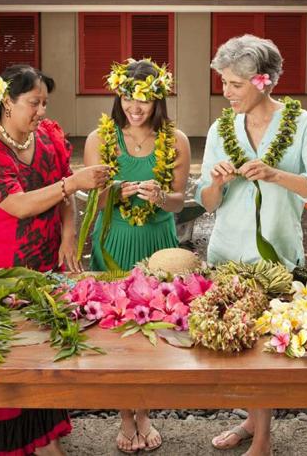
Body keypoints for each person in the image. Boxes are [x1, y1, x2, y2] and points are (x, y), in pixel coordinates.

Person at [0, 64, 111, 456]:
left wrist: (69, 235)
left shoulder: (48, 137)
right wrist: (73, 183)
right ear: (6, 102)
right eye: (33, 102)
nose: (41, 110)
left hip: (45, 265)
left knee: (42, 353)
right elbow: (18, 205)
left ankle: (46, 438)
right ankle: (9, 444)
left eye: (45, 102)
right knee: (7, 358)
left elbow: (64, 198)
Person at [195, 35, 307, 456]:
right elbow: (204, 199)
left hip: (277, 254)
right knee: (237, 346)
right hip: (227, 253)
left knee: (268, 351)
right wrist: (217, 181)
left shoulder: (302, 123)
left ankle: (262, 438)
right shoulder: (221, 128)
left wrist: (276, 175)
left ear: (264, 81)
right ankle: (251, 421)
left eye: (235, 84)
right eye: (223, 82)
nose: (227, 91)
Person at [83, 58, 191, 453]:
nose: (135, 106)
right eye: (128, 97)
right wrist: (113, 192)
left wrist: (162, 197)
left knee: (153, 331)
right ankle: (124, 417)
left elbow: (181, 203)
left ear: (157, 99)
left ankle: (144, 413)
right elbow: (92, 198)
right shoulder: (100, 139)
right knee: (115, 333)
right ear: (119, 95)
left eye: (144, 99)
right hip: (113, 242)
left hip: (157, 244)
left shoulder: (176, 140)